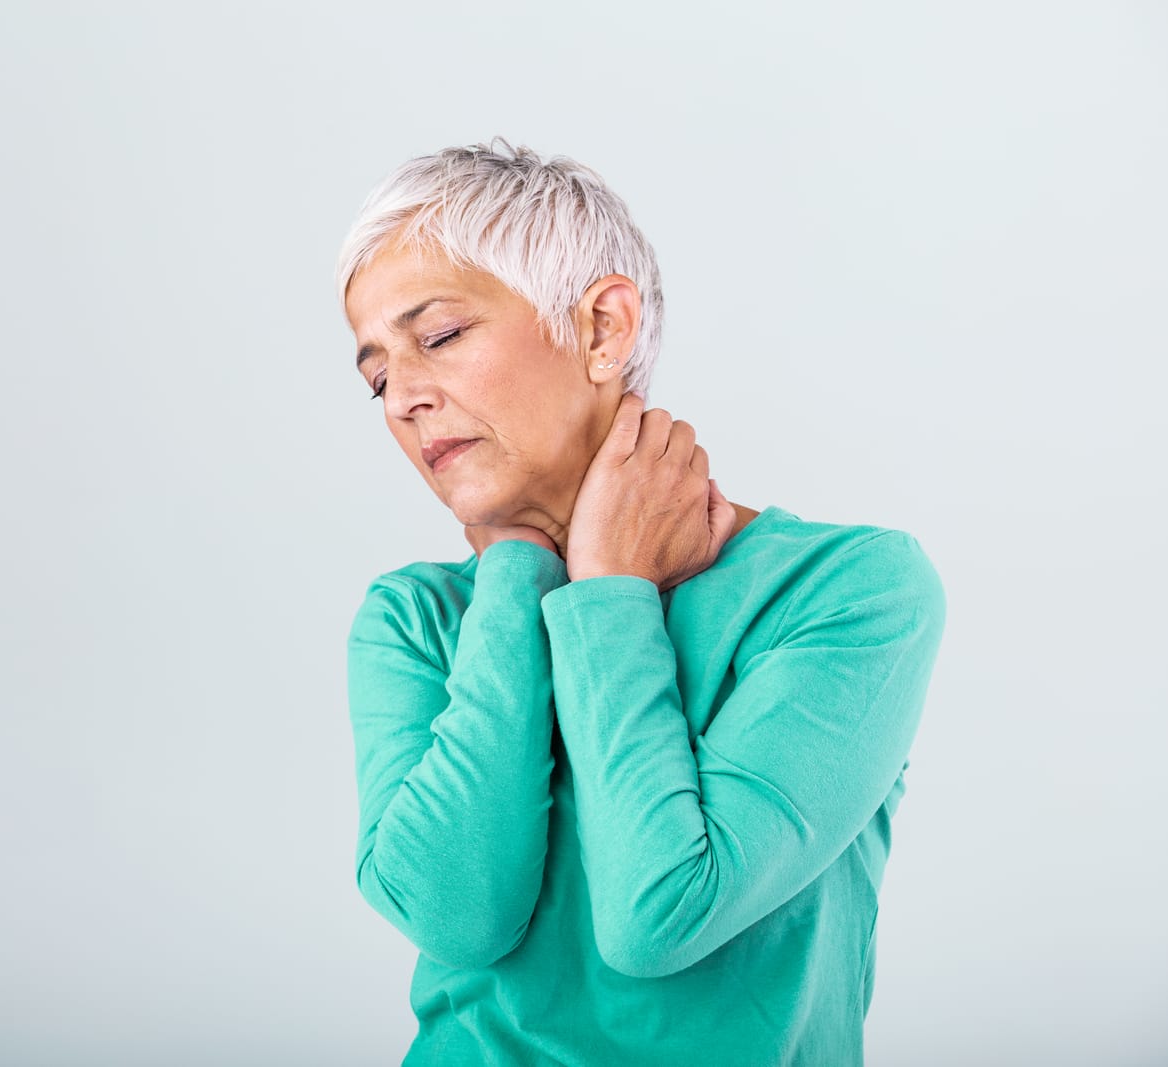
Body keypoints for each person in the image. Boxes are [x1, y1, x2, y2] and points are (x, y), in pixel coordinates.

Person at [339, 138, 947, 1066]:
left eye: (442, 336)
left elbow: (661, 912)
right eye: (378, 376)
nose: (404, 400)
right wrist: (518, 571)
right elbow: (456, 915)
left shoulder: (850, 591)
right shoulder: (413, 619)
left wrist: (609, 592)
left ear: (602, 329)